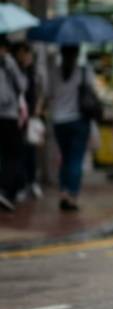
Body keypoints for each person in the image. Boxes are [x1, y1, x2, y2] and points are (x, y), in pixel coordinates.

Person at [46, 45, 96, 212]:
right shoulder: (83, 71)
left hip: (59, 121)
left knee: (65, 159)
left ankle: (63, 193)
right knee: (75, 159)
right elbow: (93, 92)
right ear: (76, 54)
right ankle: (72, 196)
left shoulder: (54, 72)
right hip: (78, 121)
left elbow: (48, 95)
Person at [13, 42, 45, 200]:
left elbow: (39, 92)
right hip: (17, 117)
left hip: (30, 116)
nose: (25, 56)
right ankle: (21, 183)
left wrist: (38, 107)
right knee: (19, 152)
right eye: (22, 53)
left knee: (30, 151)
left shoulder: (32, 73)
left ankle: (31, 182)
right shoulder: (13, 71)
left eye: (26, 53)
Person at [0, 37, 29, 211]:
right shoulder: (8, 64)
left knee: (8, 154)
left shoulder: (8, 65)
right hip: (7, 117)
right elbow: (17, 89)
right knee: (13, 155)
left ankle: (8, 190)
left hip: (9, 117)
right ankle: (5, 189)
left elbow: (23, 85)